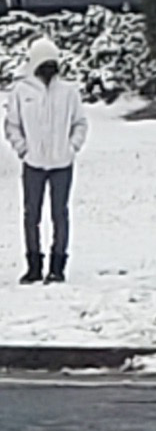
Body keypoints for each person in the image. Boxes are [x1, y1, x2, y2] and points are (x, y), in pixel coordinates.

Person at [4, 37, 87, 284]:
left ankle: (58, 265)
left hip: (62, 163)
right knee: (32, 215)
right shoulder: (22, 91)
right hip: (33, 164)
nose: (48, 70)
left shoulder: (68, 91)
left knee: (60, 215)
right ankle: (33, 265)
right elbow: (12, 124)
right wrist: (22, 149)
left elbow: (80, 122)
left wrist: (72, 147)